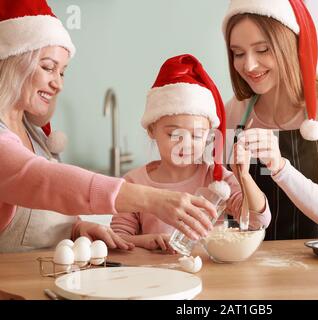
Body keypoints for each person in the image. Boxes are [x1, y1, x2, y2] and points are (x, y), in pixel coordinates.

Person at [0, 0, 216, 252]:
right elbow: (43, 181)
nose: (58, 84)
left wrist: (77, 228)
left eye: (62, 72)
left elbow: (44, 209)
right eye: (48, 67)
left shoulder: (35, 135)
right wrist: (152, 198)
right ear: (13, 61)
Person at [222, 0, 318, 240]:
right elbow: (212, 188)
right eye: (238, 53)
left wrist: (279, 167)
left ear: (289, 45)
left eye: (263, 50)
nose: (249, 65)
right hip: (248, 271)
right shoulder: (235, 110)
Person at [110, 54, 271, 252]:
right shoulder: (134, 183)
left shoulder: (216, 180)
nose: (186, 144)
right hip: (155, 276)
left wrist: (244, 177)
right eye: (174, 134)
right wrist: (147, 240)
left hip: (207, 276)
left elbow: (258, 220)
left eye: (196, 136)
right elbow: (118, 239)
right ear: (152, 130)